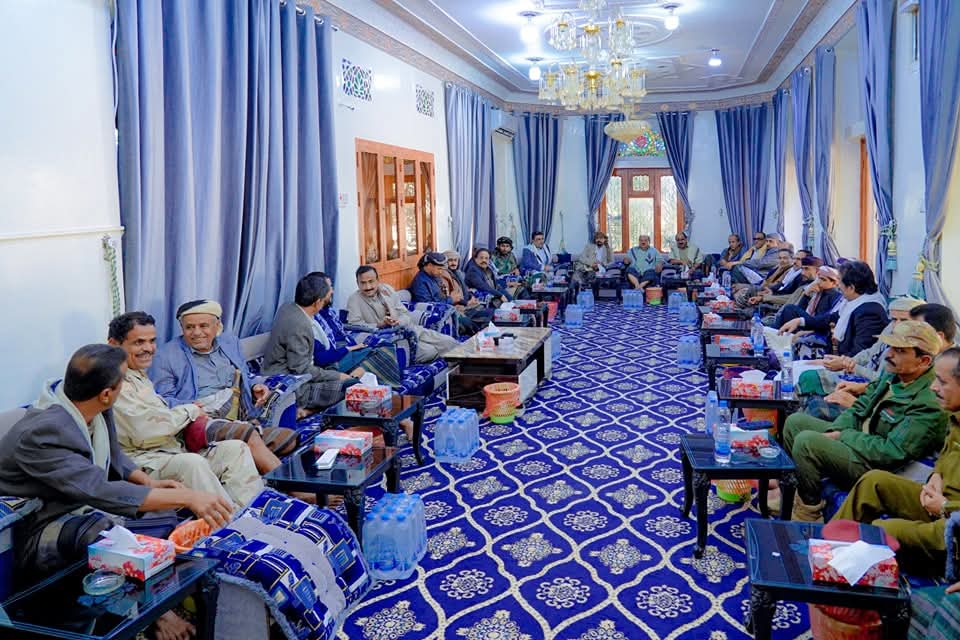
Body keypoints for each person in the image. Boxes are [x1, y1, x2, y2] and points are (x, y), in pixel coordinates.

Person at [0, 344, 235, 573]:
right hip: (34, 525)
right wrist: (189, 496)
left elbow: (115, 455)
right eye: (123, 379)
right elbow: (97, 489)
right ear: (106, 394)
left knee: (165, 514)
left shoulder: (90, 406)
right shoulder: (44, 433)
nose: (126, 385)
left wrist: (148, 482)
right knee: (101, 532)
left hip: (76, 502)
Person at [782, 320, 947, 522]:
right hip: (861, 439)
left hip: (879, 465)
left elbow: (892, 453)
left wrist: (844, 436)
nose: (889, 354)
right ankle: (796, 491)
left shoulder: (928, 402)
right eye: (891, 347)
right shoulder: (894, 373)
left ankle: (809, 512)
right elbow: (860, 407)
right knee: (795, 422)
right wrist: (836, 430)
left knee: (807, 442)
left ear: (924, 361)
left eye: (900, 351)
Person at [108, 312, 265, 505]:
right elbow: (145, 432)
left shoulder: (138, 375)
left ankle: (252, 512)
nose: (148, 348)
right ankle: (227, 519)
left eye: (152, 341)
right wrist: (190, 411)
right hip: (144, 463)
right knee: (192, 463)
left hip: (172, 451)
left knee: (235, 449)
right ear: (114, 344)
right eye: (139, 342)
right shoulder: (113, 383)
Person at [832, 347, 960, 576]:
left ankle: (844, 576)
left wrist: (944, 507)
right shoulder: (955, 417)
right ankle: (826, 549)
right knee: (874, 482)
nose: (933, 387)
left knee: (881, 530)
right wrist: (937, 475)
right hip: (937, 501)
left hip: (952, 527)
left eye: (942, 382)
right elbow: (946, 455)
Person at [149, 300, 298, 459]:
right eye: (189, 327)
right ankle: (263, 465)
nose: (196, 332)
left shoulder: (230, 343)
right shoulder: (165, 356)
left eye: (203, 326)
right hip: (201, 423)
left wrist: (255, 386)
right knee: (248, 435)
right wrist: (191, 408)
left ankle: (242, 457)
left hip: (239, 418)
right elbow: (162, 401)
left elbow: (245, 375)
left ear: (217, 326)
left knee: (289, 439)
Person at [794, 297, 926, 420]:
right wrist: (848, 361)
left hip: (870, 385)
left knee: (811, 379)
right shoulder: (890, 328)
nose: (896, 325)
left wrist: (850, 366)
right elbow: (870, 352)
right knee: (808, 376)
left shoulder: (913, 346)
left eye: (903, 320)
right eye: (894, 319)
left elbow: (881, 379)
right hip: (862, 374)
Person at [263, 273, 361, 416]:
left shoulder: (289, 307)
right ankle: (308, 411)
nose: (330, 296)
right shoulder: (299, 325)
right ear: (317, 302)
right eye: (327, 296)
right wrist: (337, 376)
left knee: (343, 370)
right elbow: (301, 370)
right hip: (293, 385)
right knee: (352, 387)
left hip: (298, 373)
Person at [346, 265, 458, 363]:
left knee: (449, 342)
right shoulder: (354, 299)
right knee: (430, 351)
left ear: (377, 280)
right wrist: (380, 325)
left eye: (371, 281)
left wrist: (398, 321)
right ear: (357, 283)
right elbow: (354, 326)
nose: (368, 287)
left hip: (409, 329)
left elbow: (405, 313)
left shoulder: (387, 290)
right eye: (363, 283)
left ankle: (458, 371)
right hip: (394, 339)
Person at [778, 260, 888, 357]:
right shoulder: (853, 301)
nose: (838, 285)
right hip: (836, 357)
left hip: (846, 365)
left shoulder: (869, 312)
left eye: (840, 281)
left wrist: (830, 363)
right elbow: (830, 318)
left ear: (851, 287)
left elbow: (860, 354)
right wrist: (800, 321)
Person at [313, 272, 403, 387]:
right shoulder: (313, 320)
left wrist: (355, 346)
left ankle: (365, 379)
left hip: (347, 348)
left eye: (331, 287)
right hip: (337, 358)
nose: (332, 291)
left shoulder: (329, 311)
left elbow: (342, 332)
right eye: (329, 288)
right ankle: (356, 379)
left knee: (387, 346)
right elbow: (321, 358)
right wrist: (349, 348)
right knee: (383, 353)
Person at [410, 252, 487, 336]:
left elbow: (445, 296)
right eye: (439, 269)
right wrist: (451, 299)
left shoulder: (434, 276)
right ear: (429, 265)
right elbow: (428, 306)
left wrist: (462, 301)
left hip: (449, 309)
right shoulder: (420, 283)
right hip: (437, 315)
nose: (441, 272)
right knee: (468, 324)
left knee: (483, 315)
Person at [771, 263, 842, 329]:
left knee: (789, 308)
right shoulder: (818, 291)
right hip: (809, 322)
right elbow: (800, 309)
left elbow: (824, 319)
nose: (819, 282)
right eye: (819, 278)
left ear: (834, 283)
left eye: (823, 280)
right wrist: (806, 295)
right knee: (789, 310)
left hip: (816, 325)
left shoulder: (833, 295)